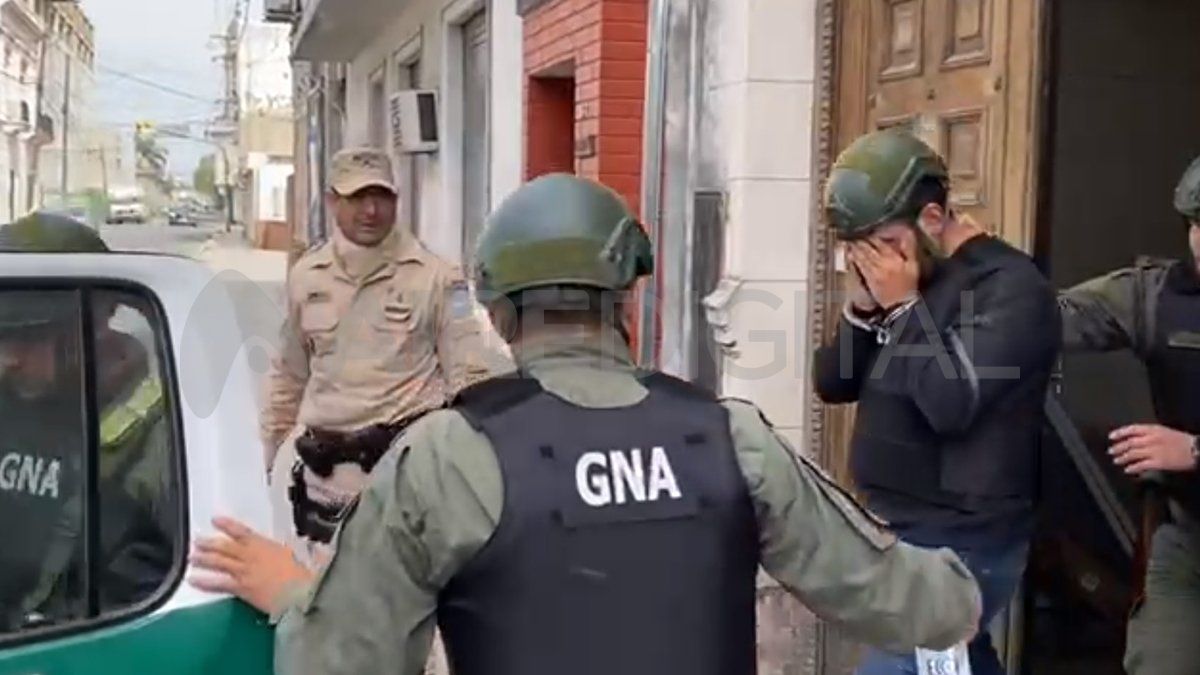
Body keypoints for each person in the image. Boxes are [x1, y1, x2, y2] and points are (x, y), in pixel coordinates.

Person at [191, 173, 983, 675]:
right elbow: (929, 607)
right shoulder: (730, 436)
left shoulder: (448, 454)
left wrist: (301, 597)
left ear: (499, 313)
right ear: (627, 298)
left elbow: (339, 664)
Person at [812, 130, 1061, 675]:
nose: (870, 261)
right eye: (856, 249)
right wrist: (861, 310)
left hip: (964, 538)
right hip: (897, 526)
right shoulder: (910, 278)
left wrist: (903, 309)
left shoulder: (1009, 287)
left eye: (880, 243)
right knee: (954, 661)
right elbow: (833, 383)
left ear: (930, 219)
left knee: (904, 663)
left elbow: (951, 403)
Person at [260, 146, 505, 567]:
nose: (371, 210)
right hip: (325, 483)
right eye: (357, 198)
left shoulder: (439, 278)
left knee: (404, 604)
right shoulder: (306, 277)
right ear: (334, 201)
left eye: (382, 197)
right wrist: (269, 458)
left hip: (407, 473)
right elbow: (289, 374)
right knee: (324, 604)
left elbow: (470, 373)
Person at [1057, 155, 1200, 675]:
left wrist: (1192, 449)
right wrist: (981, 269)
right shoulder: (1157, 297)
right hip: (1185, 537)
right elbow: (1048, 318)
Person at [0, 213, 173, 631]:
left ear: (97, 322)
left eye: (30, 337)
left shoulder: (162, 443)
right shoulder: (11, 396)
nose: (7, 360)